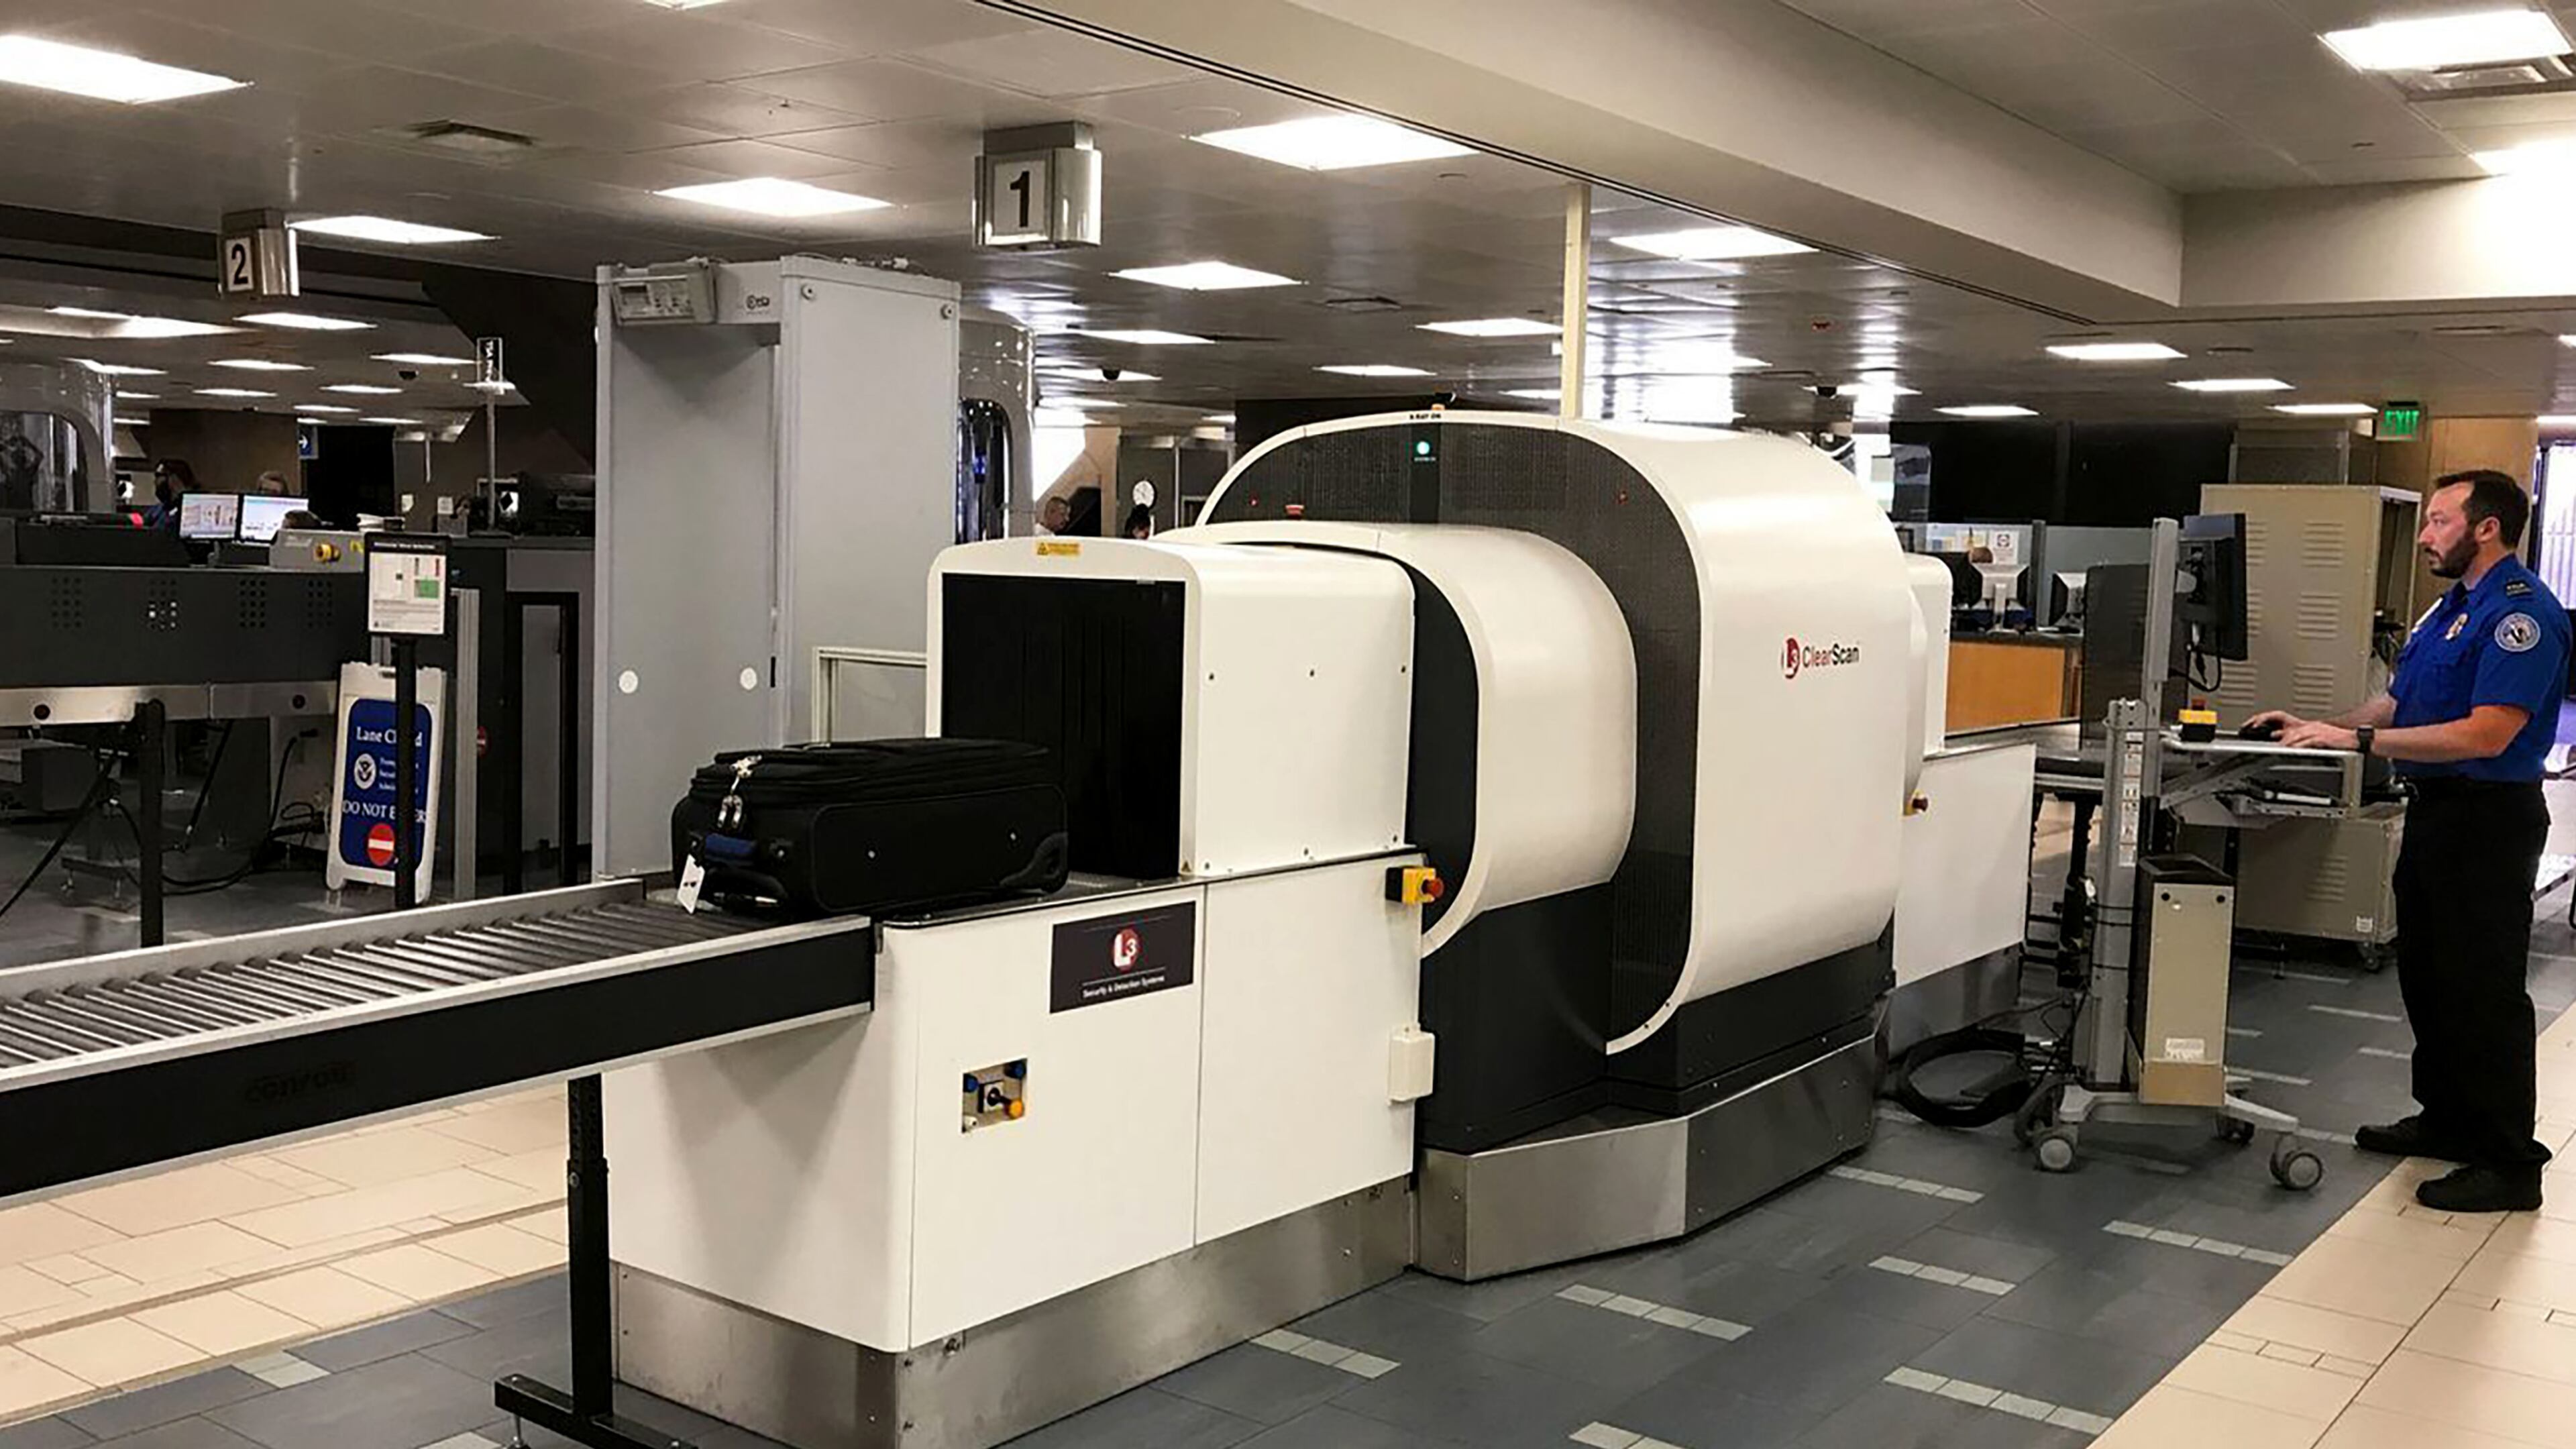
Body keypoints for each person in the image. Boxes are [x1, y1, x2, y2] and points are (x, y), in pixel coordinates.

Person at [2248, 470, 2569, 1213]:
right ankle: (2449, 1119)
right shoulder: (2447, 612)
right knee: (2431, 977)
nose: (2424, 535)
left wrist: (2358, 737)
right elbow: (2399, 701)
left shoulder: (2521, 615)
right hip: (2437, 812)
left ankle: (2507, 1161)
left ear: (2486, 528)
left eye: (2438, 521)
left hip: (2488, 820)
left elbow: (2490, 733)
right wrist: (2317, 733)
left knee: (2484, 993)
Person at [142, 459, 197, 531]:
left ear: (174, 479)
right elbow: (142, 521)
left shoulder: (192, 511)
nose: (155, 482)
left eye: (159, 476)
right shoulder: (160, 509)